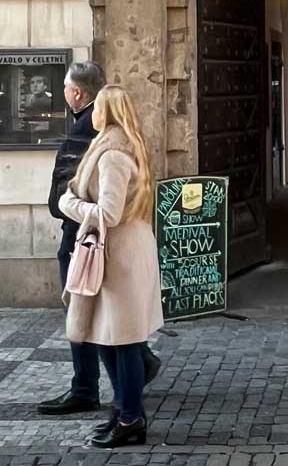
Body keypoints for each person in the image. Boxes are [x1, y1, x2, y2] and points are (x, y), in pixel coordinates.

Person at [38, 63, 160, 419]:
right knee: (114, 338)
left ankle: (126, 414)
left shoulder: (113, 153)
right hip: (114, 249)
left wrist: (68, 203)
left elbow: (107, 212)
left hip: (111, 251)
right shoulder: (118, 146)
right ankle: (123, 411)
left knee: (120, 340)